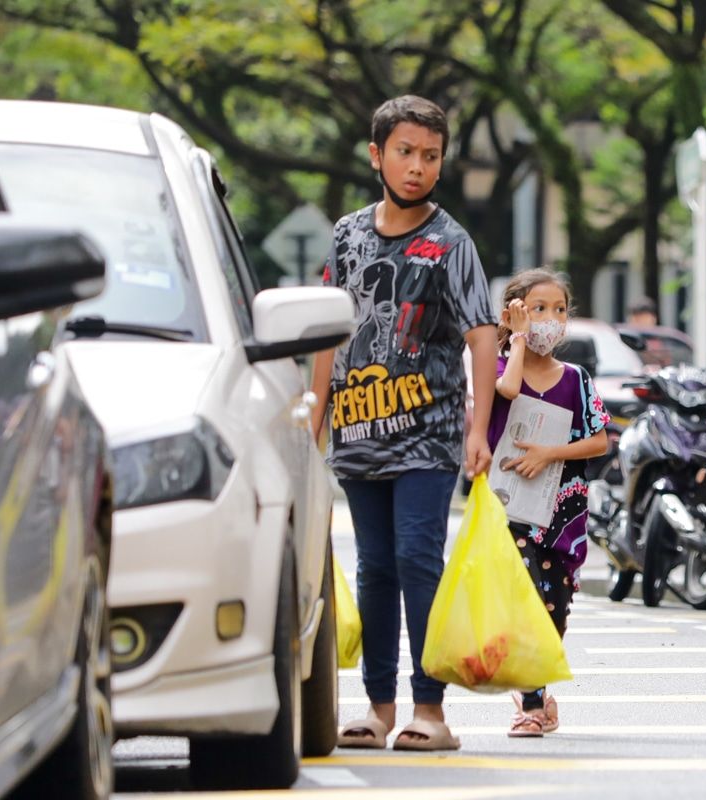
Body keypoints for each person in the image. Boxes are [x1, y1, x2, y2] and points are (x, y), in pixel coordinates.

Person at [310, 94, 497, 752]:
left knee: (418, 560)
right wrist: (313, 418)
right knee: (374, 568)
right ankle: (378, 707)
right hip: (358, 432)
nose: (418, 167)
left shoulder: (450, 242)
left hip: (427, 436)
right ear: (377, 155)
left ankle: (430, 710)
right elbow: (328, 329)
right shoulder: (347, 234)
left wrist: (478, 429)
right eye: (405, 152)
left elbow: (482, 335)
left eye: (431, 156)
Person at [488, 268, 609, 738]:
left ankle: (538, 692)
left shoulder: (576, 379)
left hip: (562, 513)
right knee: (527, 598)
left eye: (559, 309)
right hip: (511, 509)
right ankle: (531, 705)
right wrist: (517, 340)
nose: (550, 319)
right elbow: (507, 391)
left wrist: (549, 453)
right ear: (513, 314)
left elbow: (598, 440)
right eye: (538, 309)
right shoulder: (499, 369)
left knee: (554, 608)